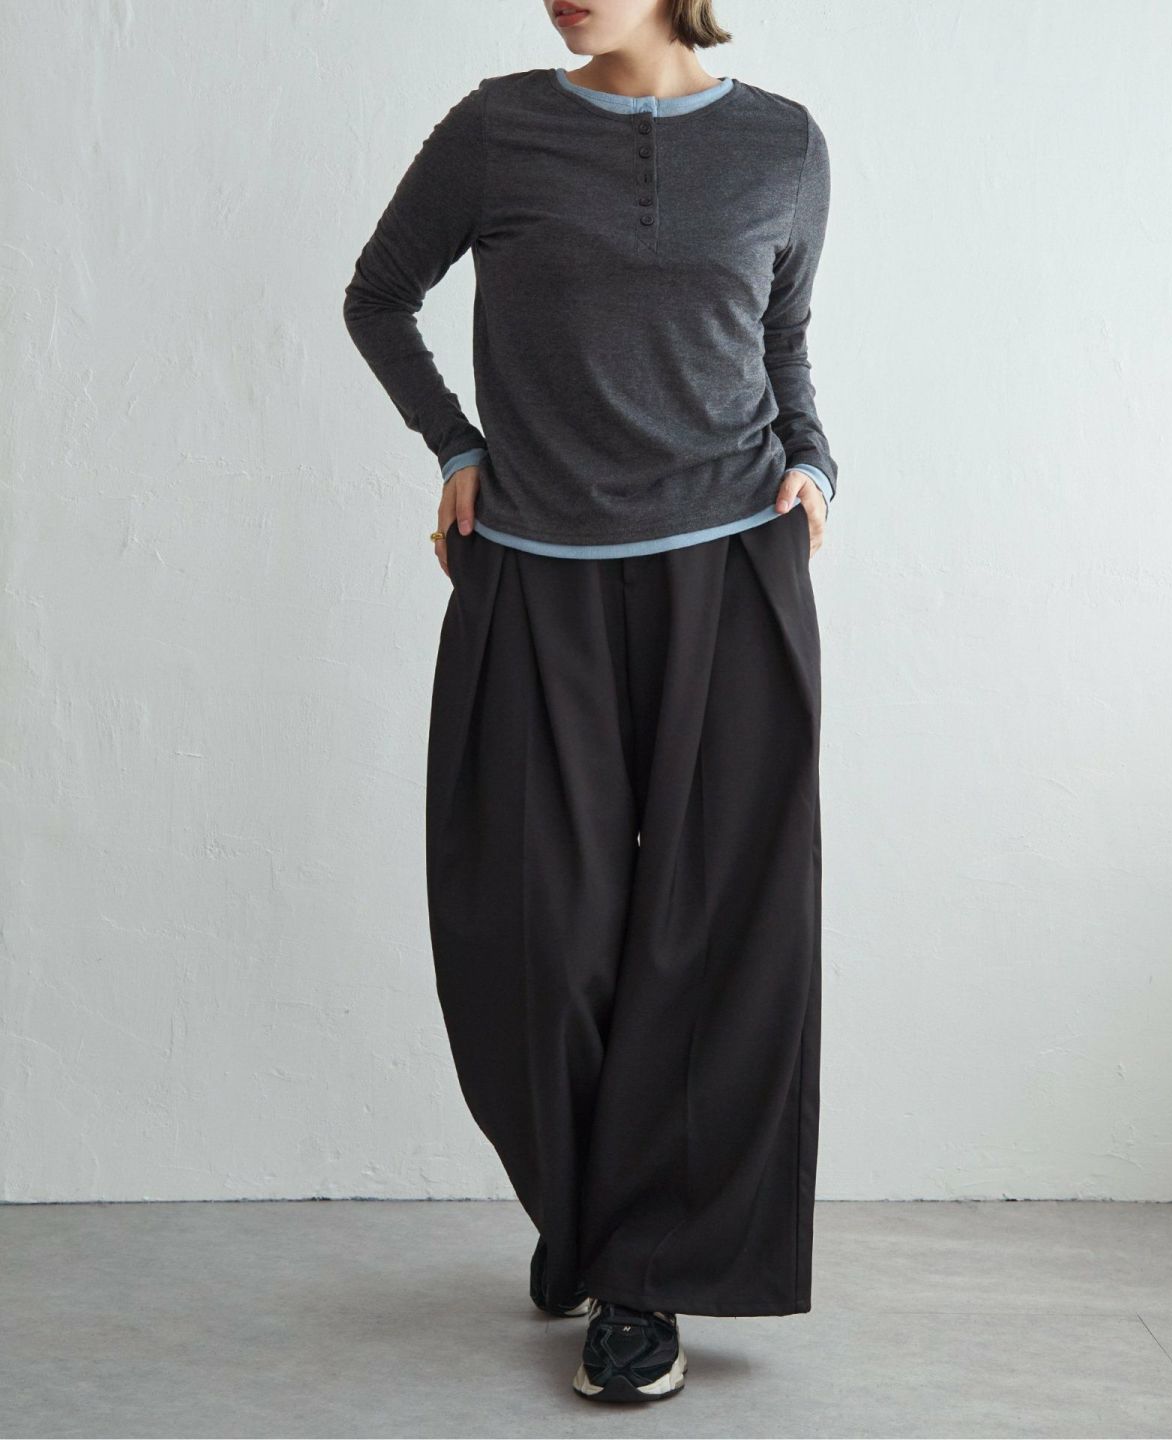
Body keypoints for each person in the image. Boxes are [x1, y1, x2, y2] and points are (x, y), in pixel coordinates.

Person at [343, 0, 837, 1404]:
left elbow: (784, 337)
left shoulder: (783, 146)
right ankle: (586, 1205)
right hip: (533, 573)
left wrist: (816, 462)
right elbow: (377, 297)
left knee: (714, 936)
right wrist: (455, 447)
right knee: (531, 932)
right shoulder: (497, 131)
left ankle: (641, 1275)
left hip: (731, 569)